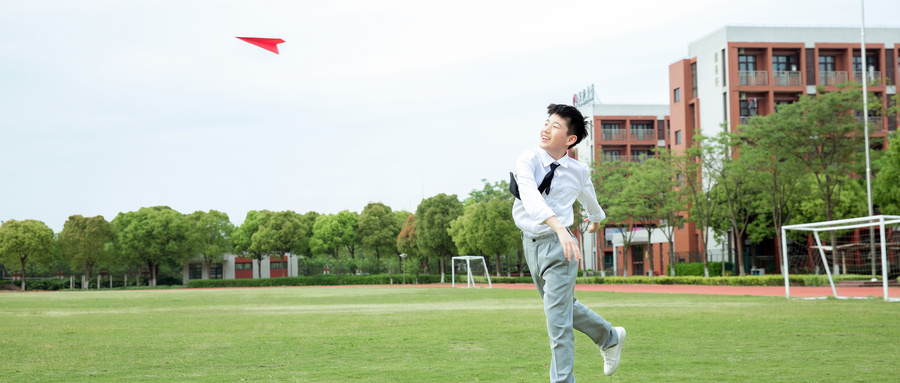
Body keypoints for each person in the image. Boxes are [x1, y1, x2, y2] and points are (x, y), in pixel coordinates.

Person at [510, 103, 626, 382]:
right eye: (547, 122)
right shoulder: (528, 159)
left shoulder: (578, 170)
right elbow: (531, 197)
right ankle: (609, 337)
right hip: (531, 243)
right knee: (563, 309)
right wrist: (561, 227)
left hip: (561, 248)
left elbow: (591, 203)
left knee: (558, 324)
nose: (546, 129)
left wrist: (595, 220)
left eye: (555, 126)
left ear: (570, 139)